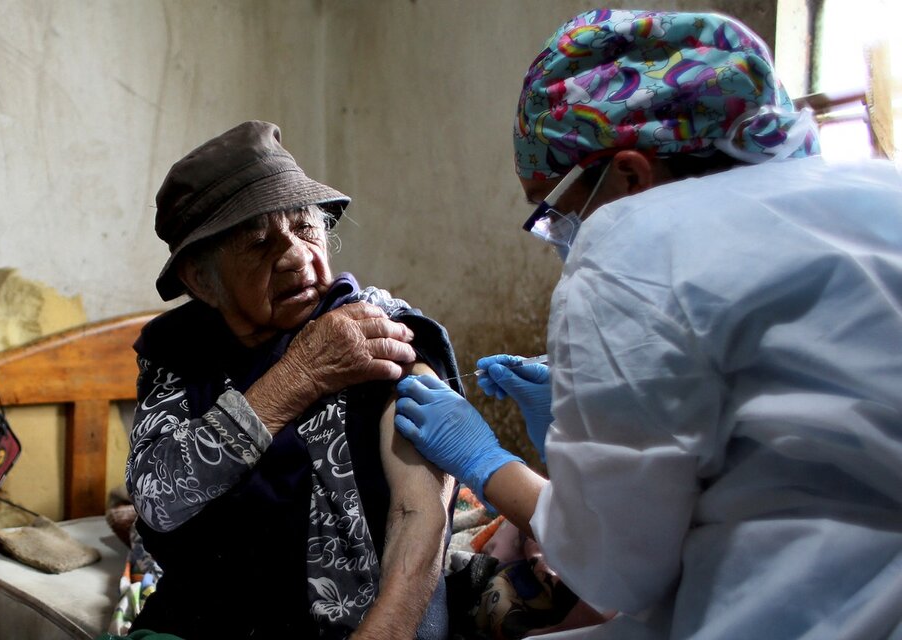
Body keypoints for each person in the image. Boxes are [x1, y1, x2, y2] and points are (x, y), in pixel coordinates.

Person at [395, 9, 902, 640]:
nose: (563, 234)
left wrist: (486, 461)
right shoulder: (878, 196)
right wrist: (583, 428)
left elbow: (615, 572)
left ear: (631, 176)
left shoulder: (633, 243)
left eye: (558, 211)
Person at [125, 120, 462, 640]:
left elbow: (421, 508)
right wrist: (299, 375)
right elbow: (156, 499)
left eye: (306, 227)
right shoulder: (177, 351)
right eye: (259, 243)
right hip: (202, 616)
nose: (296, 255)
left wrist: (384, 632)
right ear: (199, 278)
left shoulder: (372, 327)